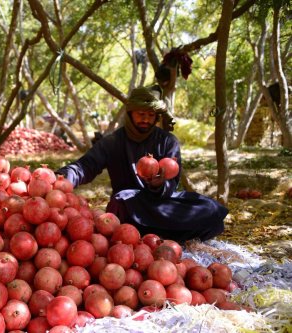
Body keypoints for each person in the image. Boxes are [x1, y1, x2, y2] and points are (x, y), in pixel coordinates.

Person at [56, 86, 227, 242]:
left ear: (156, 117)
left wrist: (160, 185)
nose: (145, 119)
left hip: (160, 205)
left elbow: (172, 185)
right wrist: (60, 178)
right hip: (130, 206)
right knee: (121, 200)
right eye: (140, 114)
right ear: (130, 114)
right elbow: (85, 166)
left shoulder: (168, 141)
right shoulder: (113, 142)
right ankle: (165, 234)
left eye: (150, 115)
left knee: (210, 209)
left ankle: (155, 233)